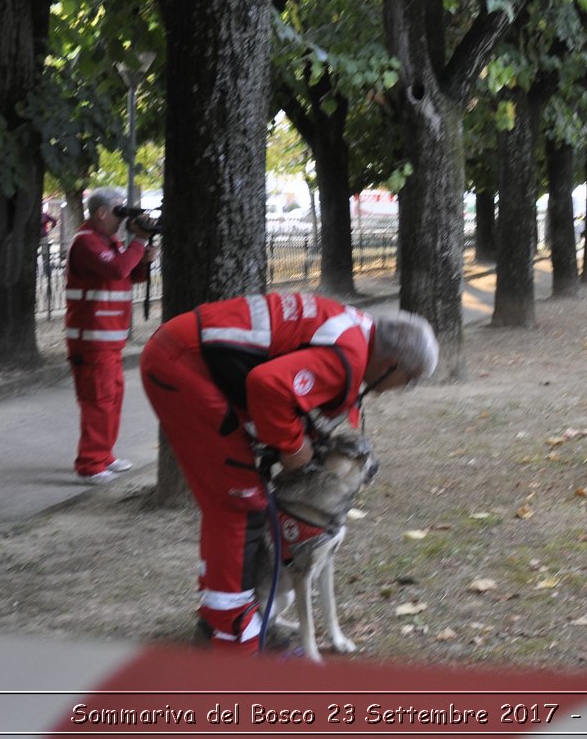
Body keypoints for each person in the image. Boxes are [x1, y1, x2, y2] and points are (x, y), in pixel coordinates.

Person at [140, 295, 438, 653]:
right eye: (410, 380)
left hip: (187, 354)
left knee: (243, 498)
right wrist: (294, 447)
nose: (405, 389)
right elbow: (269, 386)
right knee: (239, 503)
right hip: (183, 365)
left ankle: (228, 619)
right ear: (391, 365)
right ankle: (233, 639)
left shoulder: (357, 333)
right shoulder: (346, 358)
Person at [64, 187, 155, 484]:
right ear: (101, 212)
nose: (122, 217)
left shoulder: (109, 241)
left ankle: (104, 455)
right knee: (98, 401)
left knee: (112, 398)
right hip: (91, 339)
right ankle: (89, 464)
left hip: (109, 339)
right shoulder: (86, 242)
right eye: (119, 210)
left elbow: (128, 276)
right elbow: (116, 270)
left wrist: (144, 259)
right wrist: (139, 242)